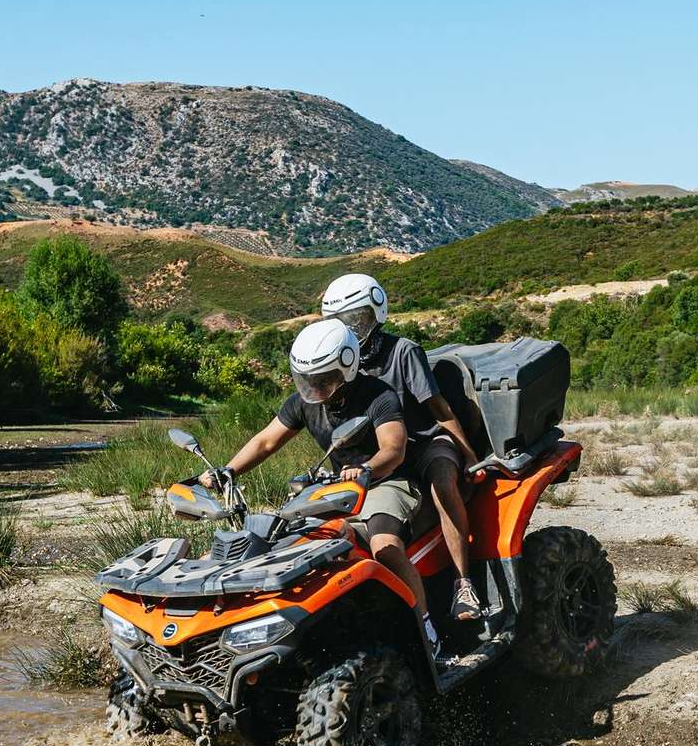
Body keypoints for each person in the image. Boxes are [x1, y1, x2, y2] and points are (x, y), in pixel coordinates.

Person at [200, 319, 443, 655]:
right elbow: (266, 441)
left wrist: (366, 469)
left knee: (385, 546)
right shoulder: (305, 402)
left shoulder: (378, 395)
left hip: (387, 482)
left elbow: (394, 447)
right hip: (334, 487)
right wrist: (228, 470)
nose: (313, 386)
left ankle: (426, 628)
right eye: (307, 379)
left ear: (346, 368)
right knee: (286, 538)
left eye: (322, 378)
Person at [319, 272, 485, 621]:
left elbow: (437, 408)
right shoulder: (343, 365)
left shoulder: (403, 351)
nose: (351, 329)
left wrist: (468, 455)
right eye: (341, 323)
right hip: (381, 456)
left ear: (376, 313)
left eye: (357, 319)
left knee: (442, 482)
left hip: (425, 440)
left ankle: (463, 583)